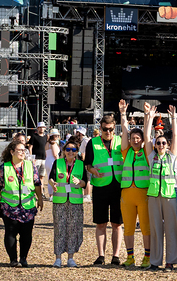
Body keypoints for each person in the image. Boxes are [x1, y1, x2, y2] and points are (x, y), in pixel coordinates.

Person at [0, 140, 41, 267]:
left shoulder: (30, 166)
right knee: (10, 232)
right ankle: (13, 259)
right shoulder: (4, 167)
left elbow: (37, 184)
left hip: (28, 207)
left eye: (24, 150)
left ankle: (23, 258)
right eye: (19, 150)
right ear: (12, 152)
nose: (22, 152)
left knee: (26, 234)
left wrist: (40, 198)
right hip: (10, 207)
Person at [144, 105, 177, 271]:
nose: (160, 145)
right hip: (153, 196)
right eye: (158, 143)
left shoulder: (172, 156)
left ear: (168, 145)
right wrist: (150, 118)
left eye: (163, 143)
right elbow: (146, 137)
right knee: (156, 229)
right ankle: (155, 261)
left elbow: (175, 135)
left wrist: (173, 118)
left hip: (169, 196)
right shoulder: (152, 157)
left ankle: (170, 261)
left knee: (171, 229)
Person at [84, 114, 124, 265]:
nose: (108, 132)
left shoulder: (120, 141)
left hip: (118, 186)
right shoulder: (92, 143)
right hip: (100, 186)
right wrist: (93, 171)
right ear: (100, 128)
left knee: (117, 223)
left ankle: (116, 256)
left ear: (115, 128)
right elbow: (87, 164)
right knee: (101, 223)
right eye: (105, 129)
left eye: (111, 129)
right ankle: (101, 255)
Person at [118, 99, 152, 268]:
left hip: (143, 194)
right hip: (127, 195)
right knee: (129, 228)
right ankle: (130, 256)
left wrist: (147, 115)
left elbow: (147, 133)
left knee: (146, 228)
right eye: (133, 138)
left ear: (142, 140)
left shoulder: (146, 152)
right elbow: (124, 131)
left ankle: (147, 257)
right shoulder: (126, 151)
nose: (135, 140)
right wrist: (123, 113)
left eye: (138, 138)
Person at [48, 138, 87, 267]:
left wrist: (79, 182)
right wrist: (53, 184)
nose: (71, 152)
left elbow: (85, 183)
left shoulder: (81, 164)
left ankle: (71, 258)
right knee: (59, 229)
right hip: (60, 201)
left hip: (75, 202)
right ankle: (58, 258)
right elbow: (51, 178)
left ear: (77, 152)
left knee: (73, 229)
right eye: (68, 149)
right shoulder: (57, 163)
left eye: (73, 150)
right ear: (64, 151)